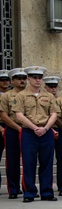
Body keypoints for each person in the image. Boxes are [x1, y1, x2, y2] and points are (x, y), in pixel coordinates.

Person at [12, 66, 59, 202]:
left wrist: (45, 128)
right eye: (34, 77)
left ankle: (46, 192)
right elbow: (19, 115)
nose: (38, 80)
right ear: (29, 79)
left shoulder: (49, 96)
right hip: (29, 132)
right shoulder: (20, 96)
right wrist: (34, 128)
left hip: (46, 131)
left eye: (40, 78)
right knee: (29, 162)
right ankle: (29, 192)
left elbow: (54, 114)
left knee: (47, 162)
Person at [1, 67, 27, 198]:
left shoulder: (32, 94)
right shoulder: (6, 96)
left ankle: (28, 188)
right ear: (13, 80)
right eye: (18, 78)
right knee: (12, 161)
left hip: (29, 129)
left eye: (24, 78)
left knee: (29, 160)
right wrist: (18, 128)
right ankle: (14, 189)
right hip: (12, 129)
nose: (22, 81)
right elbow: (4, 116)